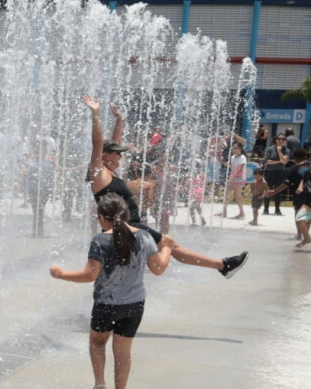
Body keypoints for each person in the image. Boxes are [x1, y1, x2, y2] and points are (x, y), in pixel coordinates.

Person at [82, 95, 247, 278]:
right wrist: (95, 114)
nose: (120, 157)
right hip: (125, 228)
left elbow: (115, 141)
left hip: (131, 226)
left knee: (128, 270)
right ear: (105, 155)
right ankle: (223, 265)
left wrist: (119, 120)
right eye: (116, 154)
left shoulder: (109, 172)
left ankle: (222, 265)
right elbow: (97, 144)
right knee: (171, 247)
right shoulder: (98, 173)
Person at [49, 194, 172, 389]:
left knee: (97, 342)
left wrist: (60, 274)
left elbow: (89, 275)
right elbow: (159, 269)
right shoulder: (144, 236)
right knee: (123, 353)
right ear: (125, 214)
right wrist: (168, 248)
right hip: (134, 305)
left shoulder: (100, 240)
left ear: (103, 218)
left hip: (106, 303)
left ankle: (99, 384)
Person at [263, 133, 290, 215]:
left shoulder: (286, 150)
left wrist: (279, 151)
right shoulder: (270, 149)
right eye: (279, 139)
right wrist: (279, 161)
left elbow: (285, 161)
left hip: (280, 172)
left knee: (278, 191)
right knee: (268, 189)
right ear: (275, 140)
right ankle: (266, 209)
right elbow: (267, 161)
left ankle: (277, 209)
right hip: (269, 172)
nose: (281, 140)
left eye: (283, 139)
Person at [220, 141, 247, 219]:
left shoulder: (242, 157)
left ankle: (242, 213)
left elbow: (240, 169)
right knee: (226, 193)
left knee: (237, 195)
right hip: (233, 177)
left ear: (240, 149)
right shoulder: (232, 157)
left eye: (236, 148)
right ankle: (224, 212)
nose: (234, 150)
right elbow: (233, 167)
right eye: (233, 148)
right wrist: (227, 164)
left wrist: (231, 177)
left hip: (240, 178)